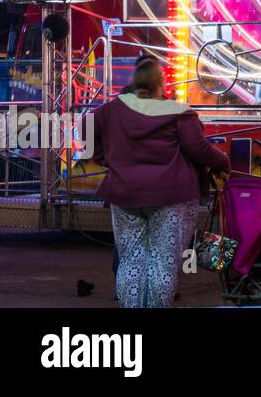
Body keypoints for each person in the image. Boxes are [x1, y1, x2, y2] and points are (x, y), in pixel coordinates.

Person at [92, 57, 228, 307]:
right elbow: (197, 148)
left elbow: (88, 128)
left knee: (131, 259)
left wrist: (106, 159)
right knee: (162, 262)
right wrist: (222, 161)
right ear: (161, 84)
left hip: (124, 195)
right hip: (172, 196)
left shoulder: (112, 110)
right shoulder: (178, 113)